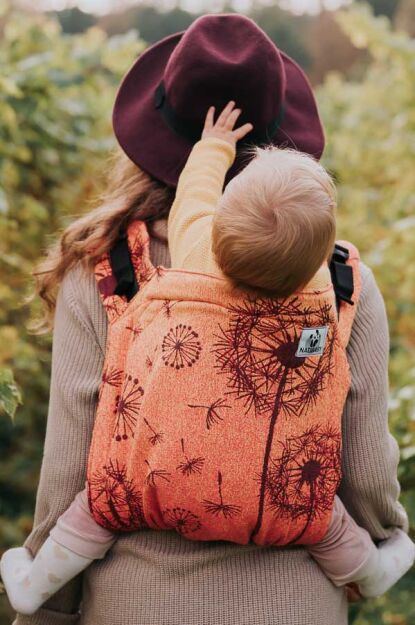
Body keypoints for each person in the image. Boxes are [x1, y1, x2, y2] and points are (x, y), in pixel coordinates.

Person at [4, 14, 410, 625]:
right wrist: (375, 544)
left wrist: (52, 607)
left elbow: (71, 462)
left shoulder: (109, 268)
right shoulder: (339, 279)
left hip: (136, 603)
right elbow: (368, 471)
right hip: (294, 604)